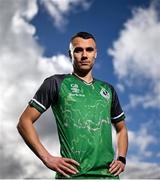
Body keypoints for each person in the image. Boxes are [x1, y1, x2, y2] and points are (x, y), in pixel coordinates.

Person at [17, 32, 128, 179]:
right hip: (72, 176)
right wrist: (47, 158)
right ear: (70, 54)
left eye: (89, 50)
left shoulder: (108, 90)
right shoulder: (55, 83)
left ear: (95, 53)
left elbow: (121, 128)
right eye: (78, 50)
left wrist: (121, 158)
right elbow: (24, 122)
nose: (84, 55)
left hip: (108, 176)